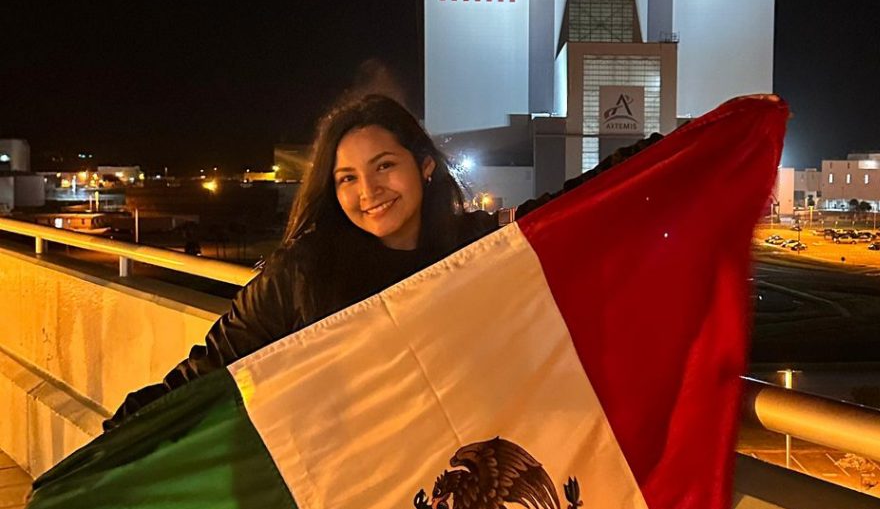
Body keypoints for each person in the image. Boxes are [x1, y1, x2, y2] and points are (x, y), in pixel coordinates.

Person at [104, 92, 658, 431]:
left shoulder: (475, 249)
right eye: (347, 178)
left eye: (384, 166)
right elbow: (210, 368)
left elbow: (573, 212)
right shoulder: (305, 271)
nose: (368, 191)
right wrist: (117, 437)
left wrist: (670, 152)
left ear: (425, 168)